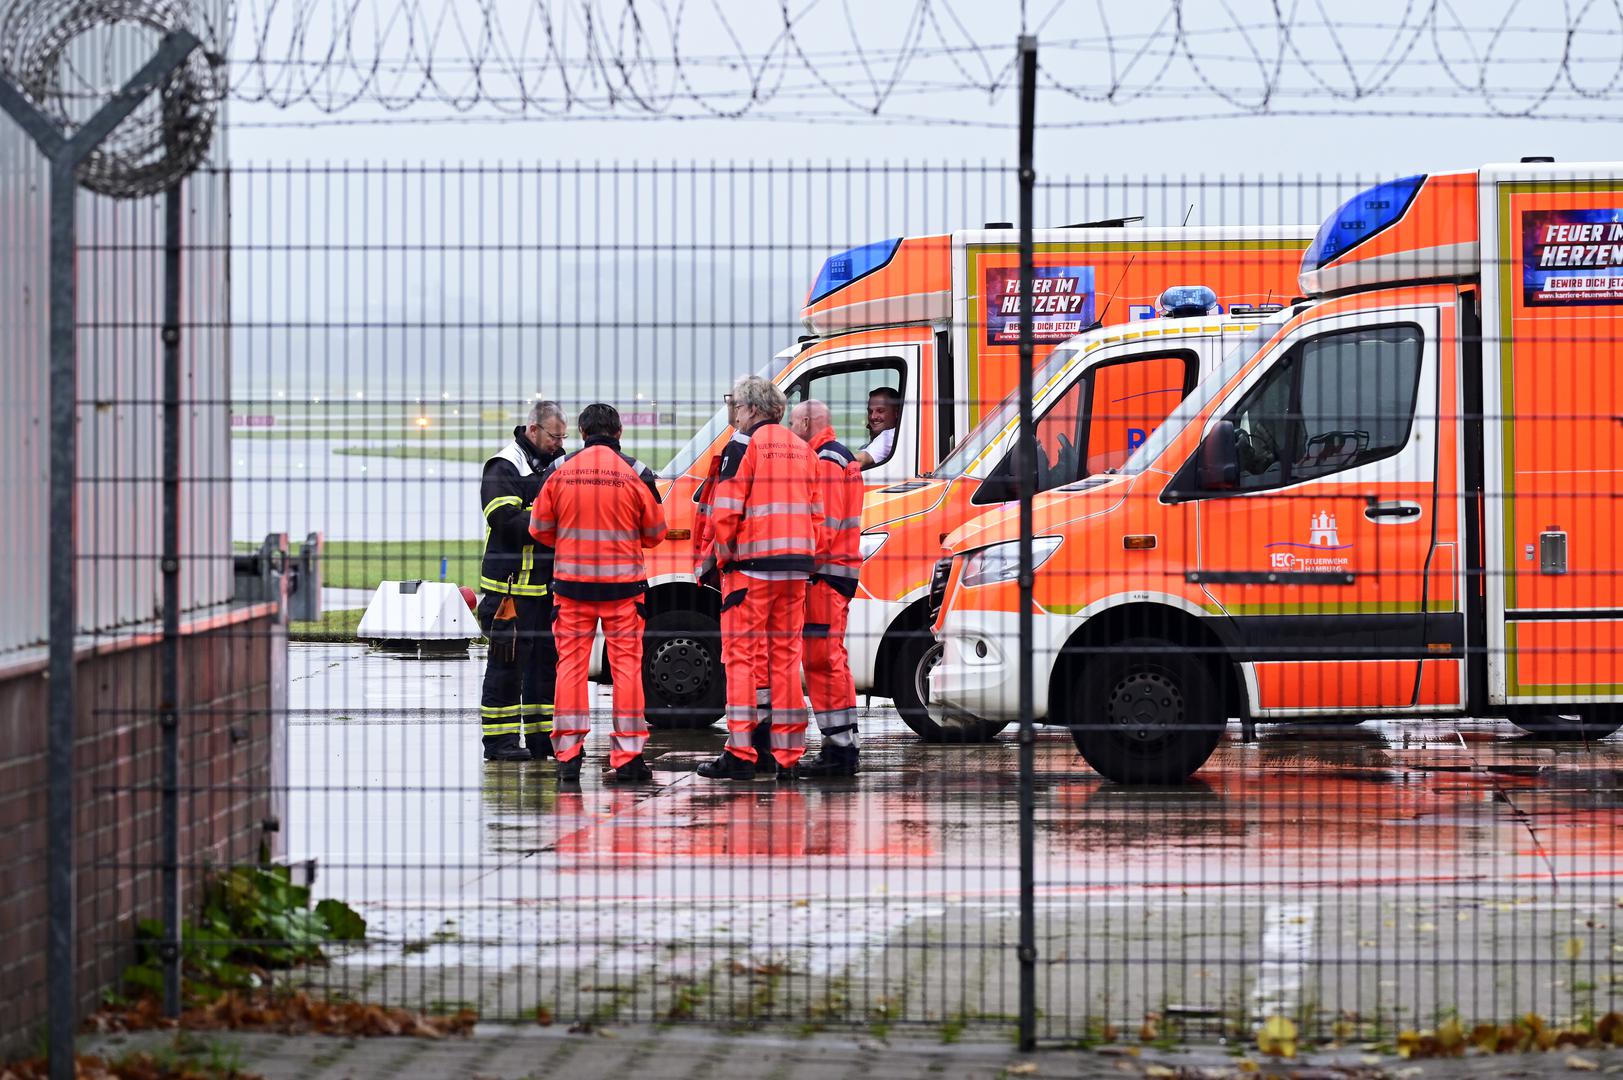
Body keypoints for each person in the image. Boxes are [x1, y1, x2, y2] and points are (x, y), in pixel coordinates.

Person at [530, 403, 666, 785]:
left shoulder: (559, 470)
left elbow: (539, 529)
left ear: (583, 433)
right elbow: (656, 533)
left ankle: (568, 756)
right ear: (619, 432)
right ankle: (628, 758)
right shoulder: (636, 472)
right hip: (624, 590)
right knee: (626, 670)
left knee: (570, 669)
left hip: (572, 588)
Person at [695, 375, 823, 781]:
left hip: (751, 569)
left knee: (741, 660)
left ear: (751, 409)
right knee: (785, 661)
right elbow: (817, 514)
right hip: (796, 568)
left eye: (735, 404)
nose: (733, 412)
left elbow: (726, 510)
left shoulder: (743, 446)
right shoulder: (802, 449)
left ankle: (741, 752)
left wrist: (724, 553)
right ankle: (785, 755)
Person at [476, 400, 567, 762]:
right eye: (553, 437)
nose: (559, 444)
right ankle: (499, 744)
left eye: (563, 437)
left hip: (546, 591)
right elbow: (504, 519)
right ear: (533, 429)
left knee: (545, 670)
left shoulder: (555, 464)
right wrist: (550, 516)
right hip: (508, 591)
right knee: (505, 669)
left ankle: (542, 740)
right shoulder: (504, 465)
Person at [787, 400, 864, 778]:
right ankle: (844, 742)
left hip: (825, 574)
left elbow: (825, 527)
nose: (789, 429)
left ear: (804, 422)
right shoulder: (838, 455)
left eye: (791, 422)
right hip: (837, 573)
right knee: (831, 658)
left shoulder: (825, 460)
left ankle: (839, 750)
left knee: (821, 660)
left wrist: (797, 559)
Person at [855, 386, 902, 470]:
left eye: (880, 411)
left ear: (896, 413)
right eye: (870, 411)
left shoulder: (891, 435)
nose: (873, 417)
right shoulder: (869, 445)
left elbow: (858, 461)